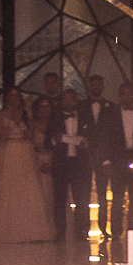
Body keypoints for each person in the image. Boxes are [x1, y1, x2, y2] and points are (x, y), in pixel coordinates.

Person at [0, 89, 53, 243]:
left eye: (17, 95)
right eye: (11, 95)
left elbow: (31, 136)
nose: (14, 98)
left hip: (25, 152)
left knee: (28, 188)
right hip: (10, 151)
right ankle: (12, 230)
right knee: (11, 188)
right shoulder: (1, 115)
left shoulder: (25, 113)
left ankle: (32, 230)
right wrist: (14, 121)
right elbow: (2, 135)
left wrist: (22, 119)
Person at [95, 82, 133, 238]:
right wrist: (106, 161)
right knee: (117, 196)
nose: (127, 97)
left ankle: (132, 229)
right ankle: (116, 231)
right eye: (124, 94)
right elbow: (103, 139)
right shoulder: (110, 113)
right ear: (119, 95)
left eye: (130, 93)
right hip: (117, 159)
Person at [47, 88, 92, 240]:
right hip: (61, 164)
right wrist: (55, 140)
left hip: (80, 164)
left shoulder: (85, 117)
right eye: (66, 99)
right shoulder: (55, 118)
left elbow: (94, 137)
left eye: (72, 99)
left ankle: (81, 230)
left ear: (76, 101)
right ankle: (60, 231)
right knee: (59, 199)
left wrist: (87, 144)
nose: (69, 102)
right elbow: (47, 141)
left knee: (81, 199)